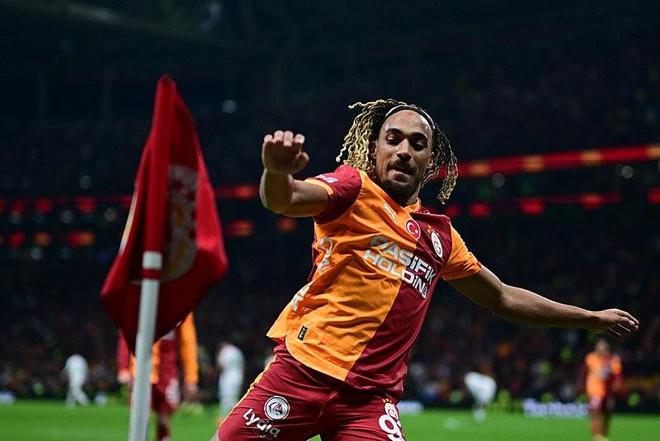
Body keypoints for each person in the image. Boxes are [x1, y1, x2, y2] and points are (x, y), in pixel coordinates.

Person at [211, 99, 639, 441]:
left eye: (417, 144)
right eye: (393, 139)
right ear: (375, 150)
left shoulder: (441, 237)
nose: (404, 150)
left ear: (430, 161)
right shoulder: (353, 189)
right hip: (301, 373)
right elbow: (283, 199)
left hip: (368, 402)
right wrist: (275, 171)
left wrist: (588, 318)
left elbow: (503, 297)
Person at [118, 313, 199, 441]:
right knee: (142, 417)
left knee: (165, 418)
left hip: (168, 369)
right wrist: (123, 366)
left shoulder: (181, 306)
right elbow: (126, 331)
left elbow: (188, 341)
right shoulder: (140, 301)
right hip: (141, 368)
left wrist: (191, 378)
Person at [584, 338, 622, 441]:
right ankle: (596, 436)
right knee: (596, 412)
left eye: (604, 347)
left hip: (608, 391)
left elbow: (617, 374)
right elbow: (584, 372)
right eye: (599, 347)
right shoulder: (591, 358)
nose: (601, 349)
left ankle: (604, 435)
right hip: (594, 390)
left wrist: (616, 384)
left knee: (608, 413)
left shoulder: (613, 359)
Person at [216, 341, 245, 417]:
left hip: (227, 375)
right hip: (238, 375)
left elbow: (221, 365)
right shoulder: (237, 351)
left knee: (225, 396)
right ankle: (235, 415)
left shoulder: (224, 351)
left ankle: (224, 416)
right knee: (235, 396)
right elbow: (242, 364)